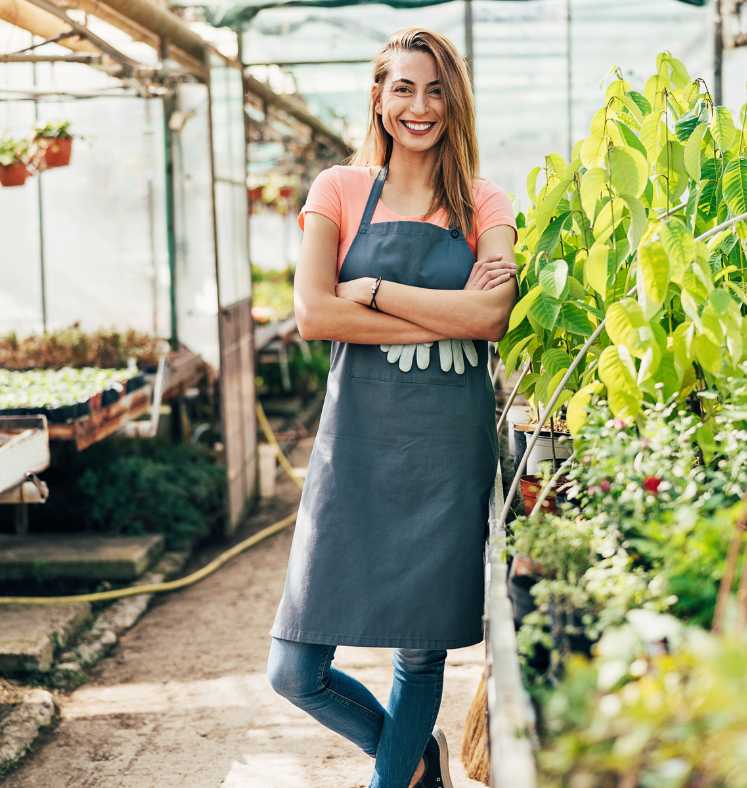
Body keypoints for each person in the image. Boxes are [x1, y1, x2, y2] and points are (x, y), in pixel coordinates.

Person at [267, 28, 518, 788]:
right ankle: (414, 758)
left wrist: (372, 293)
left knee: (420, 652)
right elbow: (314, 314)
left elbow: (492, 319)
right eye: (403, 88)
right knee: (294, 670)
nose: (420, 105)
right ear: (378, 98)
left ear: (455, 101)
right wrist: (447, 308)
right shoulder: (337, 189)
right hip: (356, 449)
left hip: (445, 453)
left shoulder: (485, 200)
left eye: (436, 89)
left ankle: (398, 775)